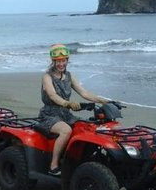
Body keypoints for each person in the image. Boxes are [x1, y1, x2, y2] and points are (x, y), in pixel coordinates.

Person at [38, 44, 111, 176]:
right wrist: (67, 103)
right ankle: (53, 165)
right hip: (49, 115)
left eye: (63, 60)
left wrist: (103, 100)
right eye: (58, 61)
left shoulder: (70, 76)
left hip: (65, 114)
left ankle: (79, 160)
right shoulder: (47, 77)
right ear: (53, 61)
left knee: (86, 126)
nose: (61, 64)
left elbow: (84, 93)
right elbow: (52, 95)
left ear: (67, 60)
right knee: (66, 130)